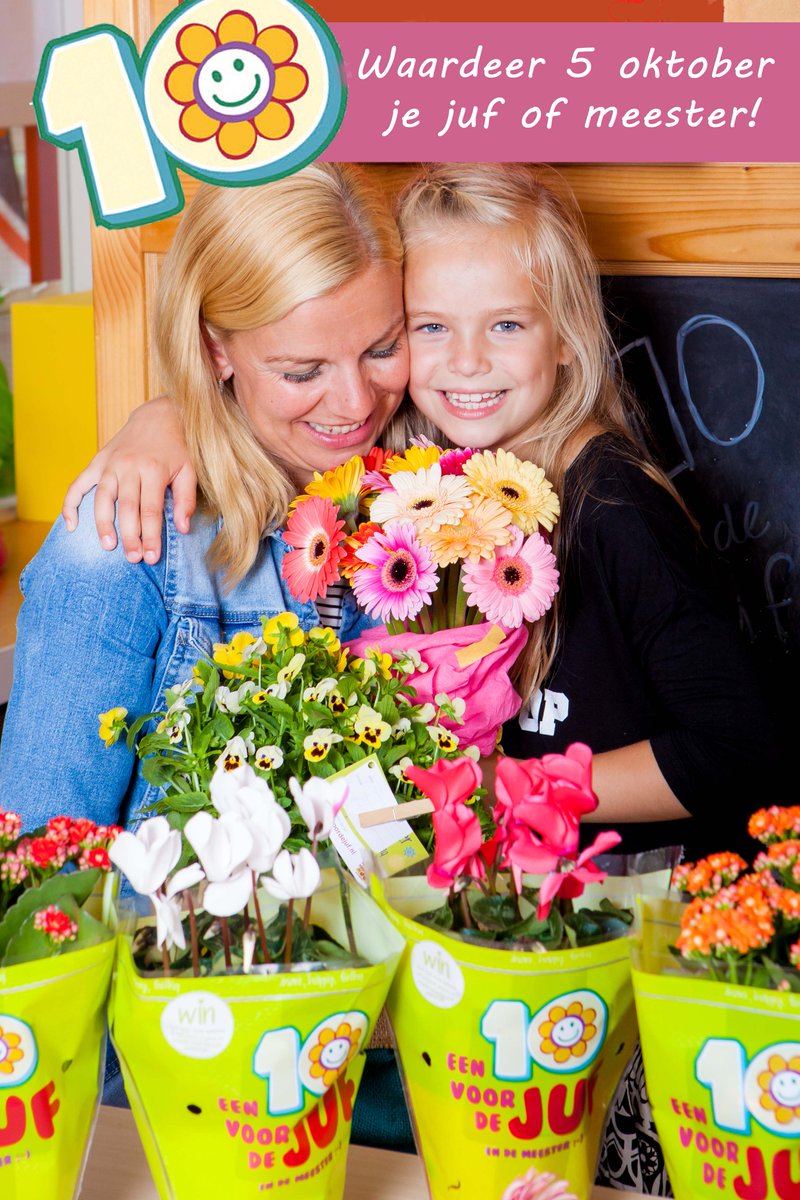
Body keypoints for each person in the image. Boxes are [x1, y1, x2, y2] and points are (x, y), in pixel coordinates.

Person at [58, 163, 779, 1190]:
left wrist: (500, 796)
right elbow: (266, 402)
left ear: (568, 331)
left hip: (631, 1001)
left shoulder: (611, 512)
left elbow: (737, 749)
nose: (459, 364)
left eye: (505, 328)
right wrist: (162, 419)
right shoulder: (429, 486)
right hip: (487, 987)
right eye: (427, 330)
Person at [0, 162, 409, 832]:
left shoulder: (433, 495)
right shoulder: (122, 539)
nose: (357, 403)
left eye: (383, 348)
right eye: (302, 370)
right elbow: (46, 868)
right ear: (215, 348)